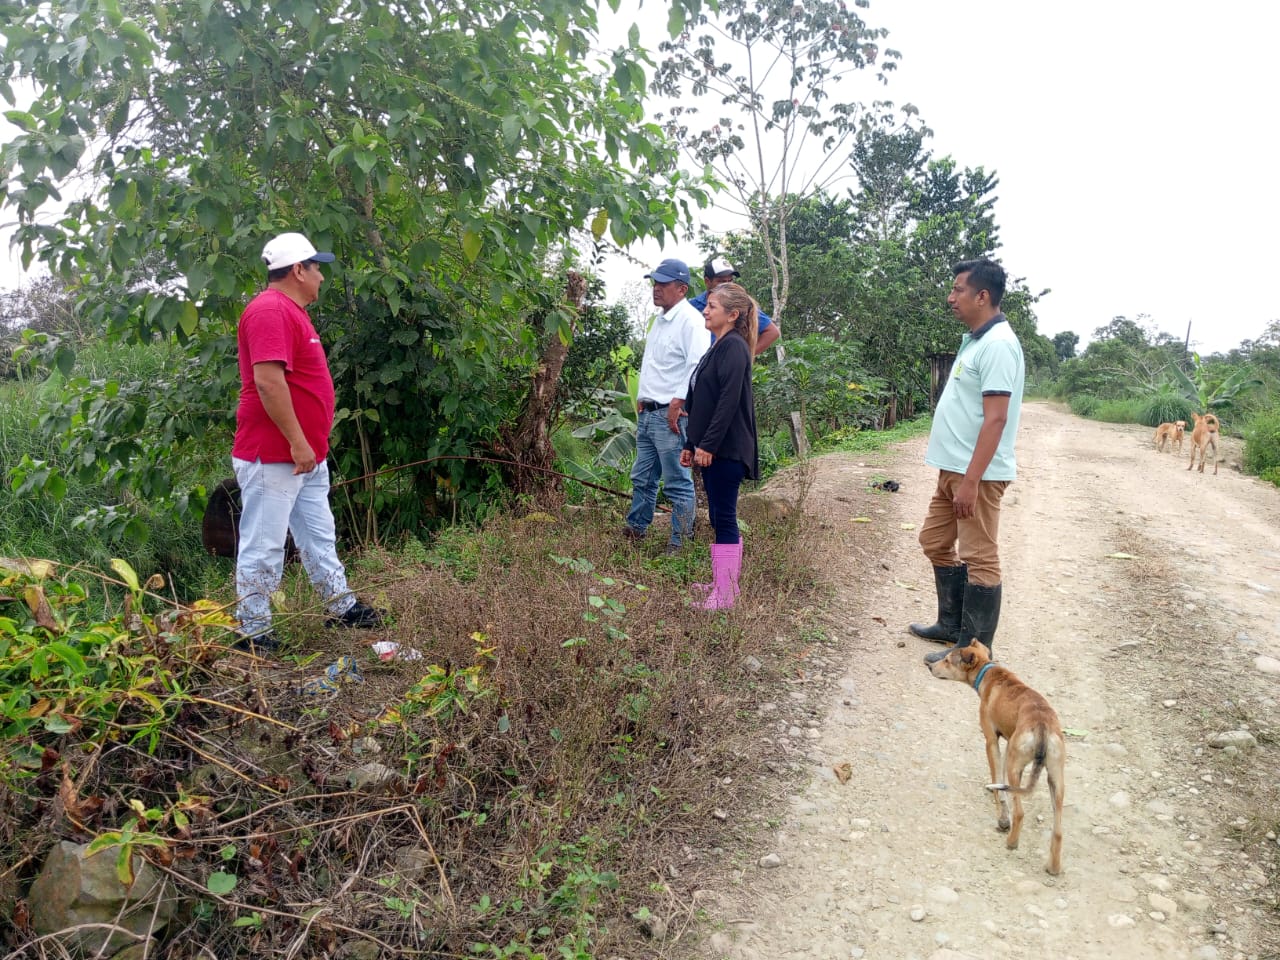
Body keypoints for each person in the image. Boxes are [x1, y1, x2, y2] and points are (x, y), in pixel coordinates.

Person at [230, 232, 384, 653]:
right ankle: (252, 630)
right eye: (317, 268)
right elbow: (268, 382)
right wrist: (298, 442)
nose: (321, 276)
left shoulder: (290, 312)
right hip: (277, 453)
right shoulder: (269, 311)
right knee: (264, 543)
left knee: (318, 534)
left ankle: (340, 605)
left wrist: (308, 446)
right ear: (298, 270)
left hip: (304, 455)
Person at [910, 258, 1024, 666]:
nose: (951, 297)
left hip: (976, 475)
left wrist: (972, 481)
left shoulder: (998, 346)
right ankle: (951, 624)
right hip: (953, 470)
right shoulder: (976, 341)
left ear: (982, 296)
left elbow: (996, 419)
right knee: (935, 541)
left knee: (980, 556)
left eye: (958, 290)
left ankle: (974, 650)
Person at [622, 258, 711, 554]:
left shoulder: (691, 322)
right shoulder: (661, 321)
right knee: (643, 476)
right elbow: (655, 365)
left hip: (670, 415)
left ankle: (680, 543)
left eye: (663, 284)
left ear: (682, 289)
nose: (656, 288)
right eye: (655, 283)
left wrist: (679, 400)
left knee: (676, 482)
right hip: (650, 412)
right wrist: (642, 396)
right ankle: (636, 528)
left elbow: (697, 364)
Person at [680, 282, 760, 609]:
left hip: (727, 450)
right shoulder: (719, 346)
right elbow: (701, 401)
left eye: (712, 306)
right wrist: (691, 443)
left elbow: (727, 402)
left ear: (732, 314)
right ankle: (723, 583)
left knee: (724, 517)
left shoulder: (734, 348)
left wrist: (708, 445)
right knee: (717, 515)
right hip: (713, 447)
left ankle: (725, 594)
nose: (705, 310)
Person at [687, 256, 780, 356]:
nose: (727, 285)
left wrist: (745, 356)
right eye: (722, 281)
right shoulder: (692, 306)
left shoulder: (739, 304)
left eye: (730, 280)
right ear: (707, 281)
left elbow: (772, 332)